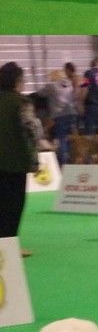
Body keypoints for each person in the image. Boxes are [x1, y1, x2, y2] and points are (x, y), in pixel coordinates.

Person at [0, 62, 38, 249]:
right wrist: (34, 160)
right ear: (18, 81)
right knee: (13, 206)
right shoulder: (22, 102)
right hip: (14, 163)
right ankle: (10, 246)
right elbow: (31, 131)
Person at [37, 69, 77, 165]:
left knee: (62, 138)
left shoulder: (51, 85)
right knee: (71, 139)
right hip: (72, 114)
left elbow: (40, 93)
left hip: (60, 115)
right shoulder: (69, 84)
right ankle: (72, 161)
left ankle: (63, 163)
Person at [80, 58, 98, 136]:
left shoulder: (88, 73)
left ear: (91, 65)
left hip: (91, 106)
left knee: (89, 131)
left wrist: (81, 102)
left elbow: (85, 87)